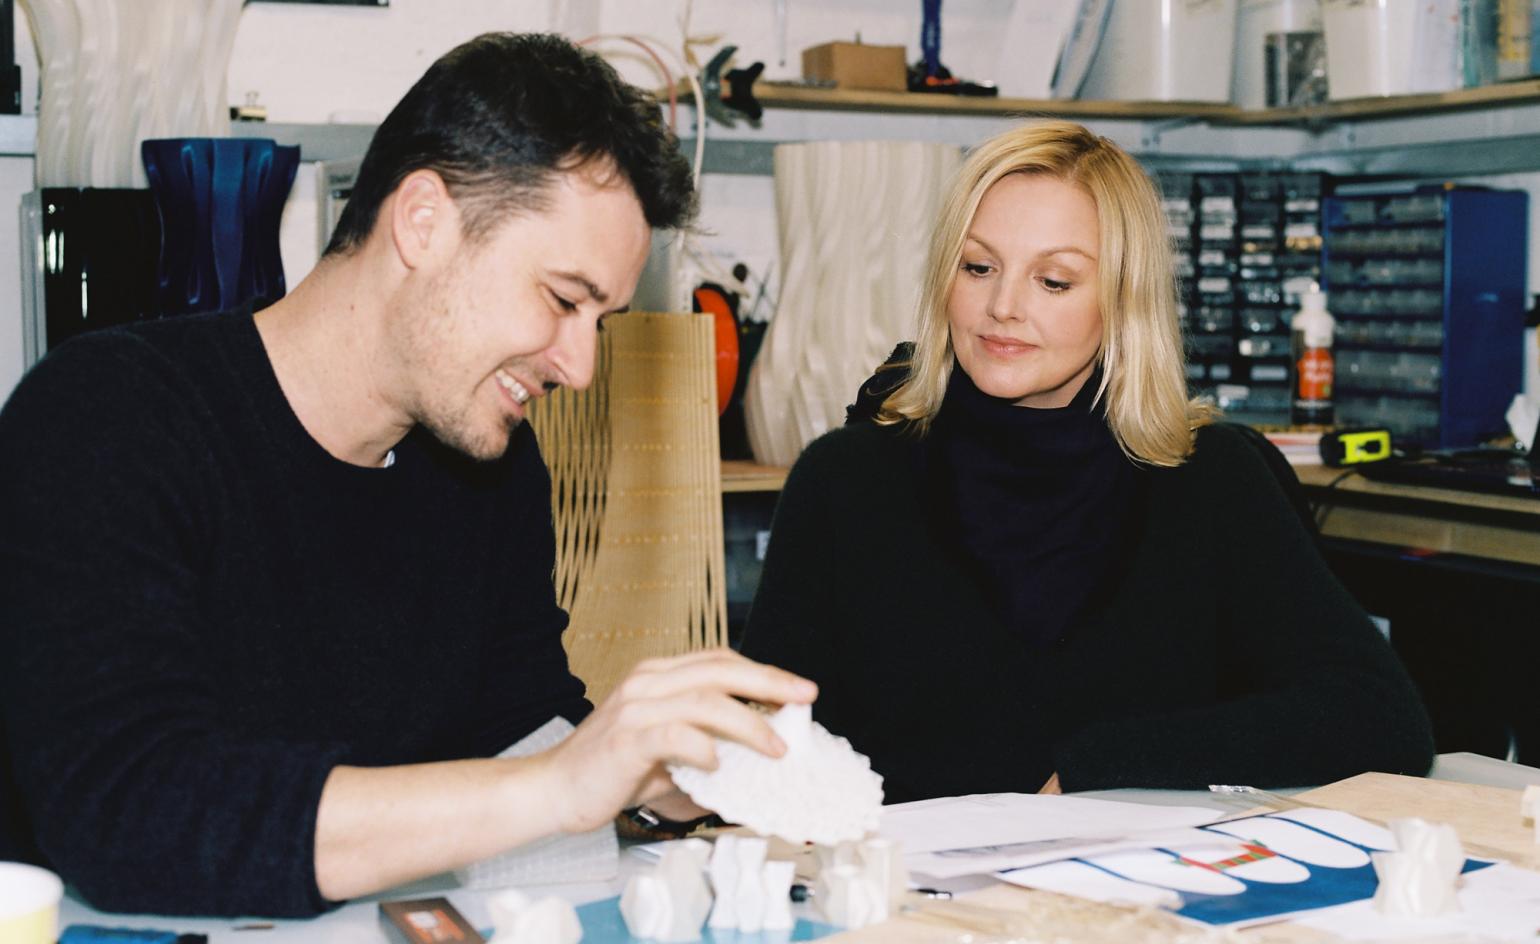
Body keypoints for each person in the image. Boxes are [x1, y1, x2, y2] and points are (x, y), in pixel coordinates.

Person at [0, 33, 814, 917]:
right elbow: (131, 814)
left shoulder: (489, 470)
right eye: (562, 298)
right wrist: (564, 784)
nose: (580, 366)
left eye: (601, 319)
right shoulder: (109, 417)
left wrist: (664, 778)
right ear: (423, 221)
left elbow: (521, 724)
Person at [739, 120, 1432, 804]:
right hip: (902, 891)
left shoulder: (1210, 477)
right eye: (978, 268)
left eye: (1056, 281)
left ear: (1123, 301)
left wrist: (1103, 764)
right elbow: (765, 746)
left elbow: (1379, 715)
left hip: (1134, 898)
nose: (1002, 307)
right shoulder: (844, 480)